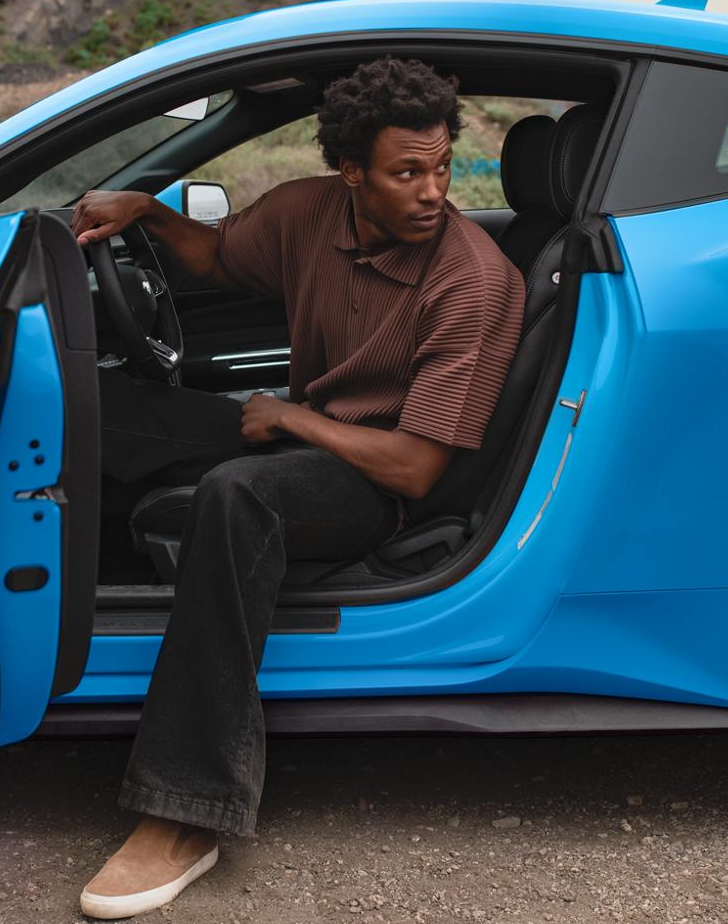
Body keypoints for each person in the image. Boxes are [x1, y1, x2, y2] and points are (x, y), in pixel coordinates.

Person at [71, 57, 525, 919]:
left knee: (241, 492)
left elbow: (416, 467)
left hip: (377, 482)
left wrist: (290, 420)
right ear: (350, 171)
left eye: (439, 168)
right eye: (406, 173)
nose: (432, 191)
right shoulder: (307, 214)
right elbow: (214, 259)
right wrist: (146, 213)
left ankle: (186, 810)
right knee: (109, 410)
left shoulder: (473, 280)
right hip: (305, 430)